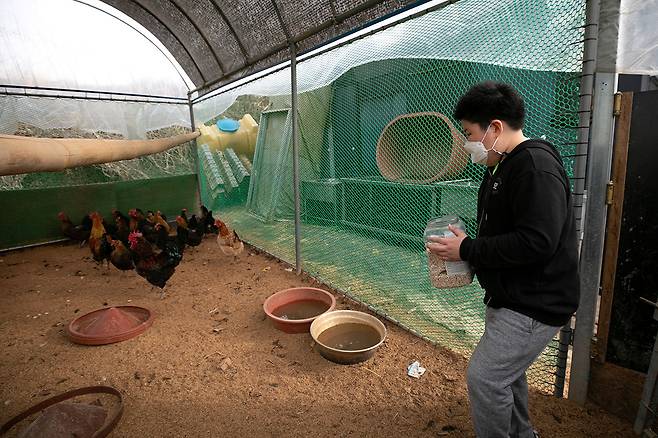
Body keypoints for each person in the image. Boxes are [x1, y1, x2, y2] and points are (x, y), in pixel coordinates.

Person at [426, 81, 580, 438]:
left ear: (495, 127)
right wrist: (465, 239)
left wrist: (467, 249)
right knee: (507, 377)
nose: (468, 144)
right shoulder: (501, 165)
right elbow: (503, 228)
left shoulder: (535, 167)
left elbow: (537, 241)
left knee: (486, 377)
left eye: (469, 133)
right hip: (511, 295)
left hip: (533, 303)